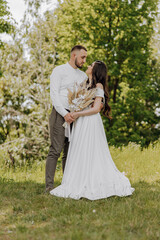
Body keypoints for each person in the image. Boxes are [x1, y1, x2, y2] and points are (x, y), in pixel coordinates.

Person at [50, 60, 135, 200]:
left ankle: (93, 181)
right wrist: (74, 110)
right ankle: (77, 179)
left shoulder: (98, 86)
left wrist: (77, 114)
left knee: (90, 150)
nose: (88, 66)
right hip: (80, 123)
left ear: (95, 70)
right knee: (79, 150)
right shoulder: (85, 84)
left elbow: (95, 109)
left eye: (91, 65)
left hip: (90, 122)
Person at [45, 45, 87, 192]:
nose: (84, 60)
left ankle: (67, 184)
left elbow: (84, 96)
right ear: (73, 55)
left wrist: (76, 113)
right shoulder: (59, 70)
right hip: (59, 114)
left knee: (70, 152)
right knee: (55, 150)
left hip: (75, 117)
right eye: (82, 57)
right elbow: (54, 94)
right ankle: (49, 186)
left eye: (85, 57)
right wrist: (64, 113)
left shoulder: (83, 76)